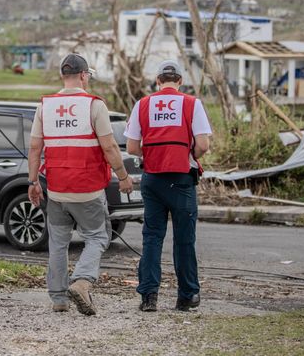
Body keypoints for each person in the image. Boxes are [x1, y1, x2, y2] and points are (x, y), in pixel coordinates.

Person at [28, 53, 134, 316]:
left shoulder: (45, 105)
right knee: (99, 236)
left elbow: (34, 147)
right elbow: (109, 146)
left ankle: (59, 299)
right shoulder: (94, 105)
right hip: (88, 188)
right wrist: (122, 176)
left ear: (63, 76)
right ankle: (83, 281)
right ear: (84, 75)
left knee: (58, 243)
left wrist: (33, 181)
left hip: (57, 188)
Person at [125, 60, 212, 312]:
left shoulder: (142, 104)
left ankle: (148, 297)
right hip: (182, 178)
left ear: (158, 81)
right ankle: (187, 296)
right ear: (180, 81)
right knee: (184, 239)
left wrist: (153, 156)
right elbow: (203, 145)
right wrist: (186, 153)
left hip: (152, 179)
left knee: (152, 237)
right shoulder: (191, 103)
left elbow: (131, 147)